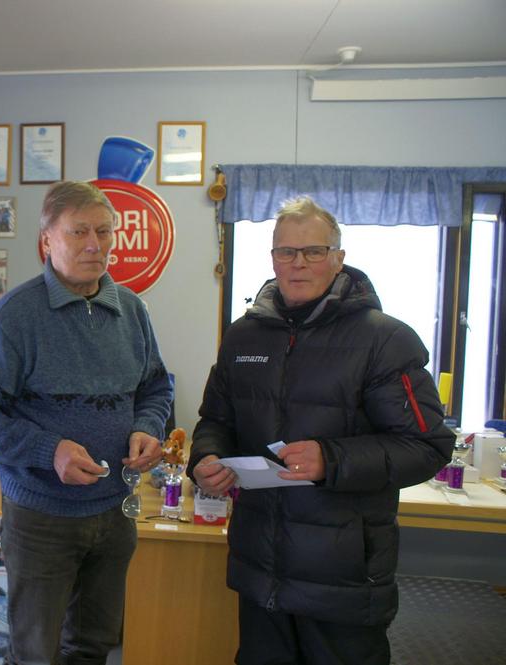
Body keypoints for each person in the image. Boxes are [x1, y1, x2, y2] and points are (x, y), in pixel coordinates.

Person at [187, 196, 453, 665]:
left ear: (338, 258)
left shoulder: (385, 339)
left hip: (343, 575)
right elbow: (216, 421)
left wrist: (331, 460)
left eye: (313, 251)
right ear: (272, 258)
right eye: (286, 251)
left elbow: (427, 446)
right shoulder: (243, 336)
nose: (298, 263)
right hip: (260, 566)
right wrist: (205, 458)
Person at [0, 180, 173, 665]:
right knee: (35, 653)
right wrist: (49, 450)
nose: (95, 244)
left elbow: (156, 388)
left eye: (104, 232)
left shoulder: (132, 310)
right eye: (79, 232)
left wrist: (147, 427)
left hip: (115, 511)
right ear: (47, 240)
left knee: (94, 646)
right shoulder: (15, 316)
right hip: (41, 518)